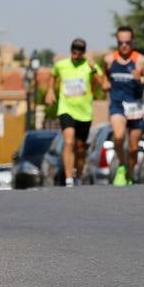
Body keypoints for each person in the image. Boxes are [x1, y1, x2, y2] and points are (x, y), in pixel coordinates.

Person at [46, 38, 105, 187]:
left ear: (83, 52)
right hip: (66, 109)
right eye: (73, 50)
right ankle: (68, 178)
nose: (76, 53)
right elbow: (52, 75)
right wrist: (50, 91)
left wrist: (93, 68)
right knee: (69, 141)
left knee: (80, 147)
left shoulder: (89, 66)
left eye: (79, 51)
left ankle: (78, 175)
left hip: (85, 112)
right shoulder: (61, 65)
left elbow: (103, 84)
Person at [102, 26, 144, 187]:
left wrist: (140, 79)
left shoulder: (141, 60)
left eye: (127, 42)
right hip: (117, 104)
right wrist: (105, 82)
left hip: (135, 106)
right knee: (118, 136)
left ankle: (130, 171)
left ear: (132, 42)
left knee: (133, 148)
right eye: (120, 42)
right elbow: (105, 75)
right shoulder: (109, 59)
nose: (124, 46)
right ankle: (122, 166)